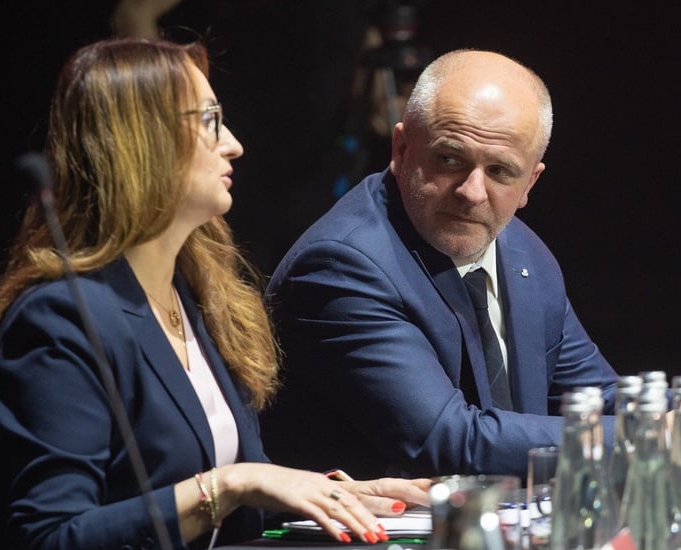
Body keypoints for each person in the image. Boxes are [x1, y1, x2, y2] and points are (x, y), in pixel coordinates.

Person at [0, 38, 430, 550]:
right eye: (209, 121)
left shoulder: (191, 297)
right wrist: (233, 483)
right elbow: (51, 541)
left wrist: (341, 495)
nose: (233, 145)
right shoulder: (60, 318)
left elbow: (230, 502)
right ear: (141, 141)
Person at [260, 49, 620, 480]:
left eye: (500, 171)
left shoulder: (522, 251)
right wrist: (640, 436)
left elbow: (601, 399)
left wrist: (677, 417)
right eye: (449, 159)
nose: (472, 192)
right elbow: (449, 442)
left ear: (531, 181)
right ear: (401, 149)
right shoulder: (340, 267)